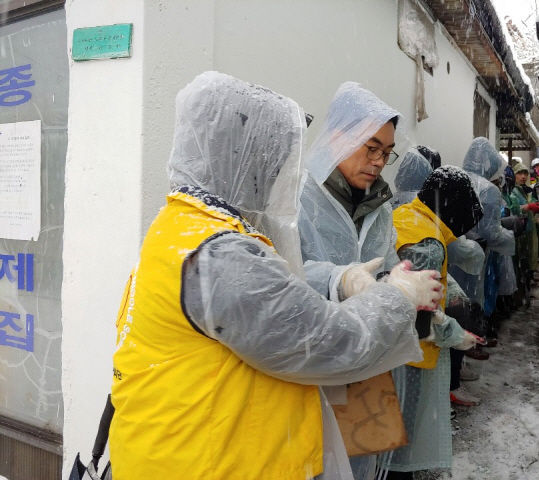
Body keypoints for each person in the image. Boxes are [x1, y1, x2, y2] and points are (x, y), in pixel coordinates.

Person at [109, 72, 446, 480]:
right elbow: (327, 341)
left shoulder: (183, 226)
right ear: (243, 157)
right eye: (277, 157)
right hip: (204, 461)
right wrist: (392, 296)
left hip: (194, 446)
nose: (281, 171)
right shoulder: (222, 254)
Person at [298, 84, 469, 480]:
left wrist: (419, 306)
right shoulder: (298, 199)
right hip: (309, 367)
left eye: (386, 153)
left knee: (361, 464)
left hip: (366, 367)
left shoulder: (380, 211)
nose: (378, 162)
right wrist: (338, 280)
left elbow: (389, 271)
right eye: (370, 148)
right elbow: (279, 279)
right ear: (339, 136)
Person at [385, 165, 485, 478]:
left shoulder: (406, 215)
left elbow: (421, 279)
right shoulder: (429, 242)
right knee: (401, 436)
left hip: (386, 349)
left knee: (386, 432)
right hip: (409, 358)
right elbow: (417, 318)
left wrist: (453, 295)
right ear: (451, 208)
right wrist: (456, 335)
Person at [450, 138, 515, 343]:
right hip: (475, 255)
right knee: (471, 302)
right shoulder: (488, 189)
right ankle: (469, 347)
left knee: (451, 303)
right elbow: (491, 233)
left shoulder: (454, 178)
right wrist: (511, 236)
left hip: (451, 252)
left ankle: (457, 347)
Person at [507, 162, 539, 306]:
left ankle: (524, 291)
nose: (523, 176)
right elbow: (512, 209)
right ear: (514, 175)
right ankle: (518, 295)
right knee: (517, 264)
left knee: (527, 263)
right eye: (520, 173)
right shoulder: (512, 192)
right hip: (518, 234)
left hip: (528, 231)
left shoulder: (525, 191)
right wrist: (528, 207)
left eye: (525, 174)